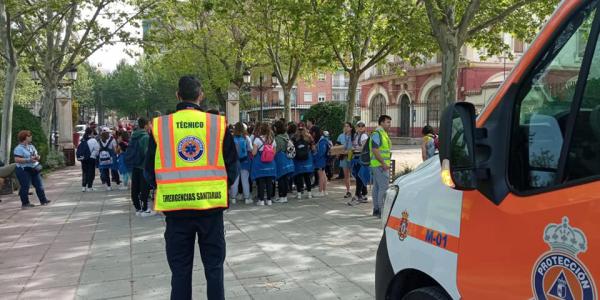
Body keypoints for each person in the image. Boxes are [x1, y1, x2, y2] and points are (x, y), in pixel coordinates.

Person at [144, 76, 238, 300]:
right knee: (214, 270)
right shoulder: (217, 124)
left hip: (176, 212)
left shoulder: (160, 126)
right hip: (211, 209)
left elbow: (149, 171)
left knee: (180, 273)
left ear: (178, 95)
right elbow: (232, 168)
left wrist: (168, 188)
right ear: (201, 95)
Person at [13, 130, 50, 209]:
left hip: (33, 168)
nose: (31, 137)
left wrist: (37, 157)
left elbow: (36, 155)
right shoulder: (18, 148)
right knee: (25, 186)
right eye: (29, 136)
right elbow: (17, 159)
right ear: (25, 138)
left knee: (39, 185)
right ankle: (25, 204)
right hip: (23, 169)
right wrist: (28, 160)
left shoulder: (31, 146)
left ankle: (43, 200)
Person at [370, 115, 392, 218]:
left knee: (377, 188)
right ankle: (381, 211)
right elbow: (375, 150)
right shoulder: (377, 133)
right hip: (380, 165)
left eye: (389, 122)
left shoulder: (382, 133)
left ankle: (376, 210)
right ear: (381, 123)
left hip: (378, 165)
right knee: (383, 188)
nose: (389, 124)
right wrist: (383, 163)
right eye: (387, 122)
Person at [251, 123, 277, 206]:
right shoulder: (272, 140)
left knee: (261, 182)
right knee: (269, 182)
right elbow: (274, 153)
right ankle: (269, 200)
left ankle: (261, 200)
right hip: (270, 164)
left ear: (260, 130)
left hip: (260, 164)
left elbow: (254, 153)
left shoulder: (257, 140)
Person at [130, 118, 152, 217]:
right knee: (144, 187)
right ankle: (145, 208)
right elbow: (147, 153)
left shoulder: (133, 136)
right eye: (149, 124)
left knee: (135, 186)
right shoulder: (145, 137)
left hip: (134, 164)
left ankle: (137, 208)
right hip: (143, 166)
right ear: (146, 125)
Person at [348, 121, 369, 205]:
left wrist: (354, 149)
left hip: (361, 158)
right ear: (356, 127)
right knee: (360, 177)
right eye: (359, 126)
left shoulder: (364, 136)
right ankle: (363, 195)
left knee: (359, 177)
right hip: (356, 158)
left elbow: (364, 148)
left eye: (362, 126)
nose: (360, 127)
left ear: (364, 127)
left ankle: (358, 195)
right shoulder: (356, 135)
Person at [231, 122, 252, 204]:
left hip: (235, 161)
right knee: (245, 180)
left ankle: (233, 198)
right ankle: (247, 198)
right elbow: (250, 149)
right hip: (244, 161)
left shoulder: (232, 137)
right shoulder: (246, 137)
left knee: (235, 181)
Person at [273, 120, 294, 203]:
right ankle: (284, 197)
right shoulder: (286, 135)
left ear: (276, 128)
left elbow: (276, 150)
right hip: (287, 158)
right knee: (285, 179)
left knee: (281, 178)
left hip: (280, 160)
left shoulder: (277, 138)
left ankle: (282, 197)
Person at [292, 122, 314, 199]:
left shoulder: (294, 137)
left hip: (297, 160)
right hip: (307, 159)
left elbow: (291, 148)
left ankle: (299, 194)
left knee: (298, 176)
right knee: (307, 177)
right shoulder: (309, 137)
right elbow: (313, 148)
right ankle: (309, 194)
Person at [337, 122, 355, 198]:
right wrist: (337, 152)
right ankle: (348, 191)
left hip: (352, 156)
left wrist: (349, 151)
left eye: (347, 126)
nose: (346, 128)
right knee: (346, 175)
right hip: (343, 157)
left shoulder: (354, 135)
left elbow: (356, 146)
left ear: (351, 128)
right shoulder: (341, 136)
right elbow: (337, 145)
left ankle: (359, 192)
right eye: (344, 126)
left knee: (355, 174)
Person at [313, 127, 330, 198]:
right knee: (323, 175)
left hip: (321, 160)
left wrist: (314, 156)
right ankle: (324, 190)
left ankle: (320, 191)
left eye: (313, 132)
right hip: (322, 160)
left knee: (321, 176)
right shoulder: (323, 140)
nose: (312, 134)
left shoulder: (322, 141)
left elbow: (321, 152)